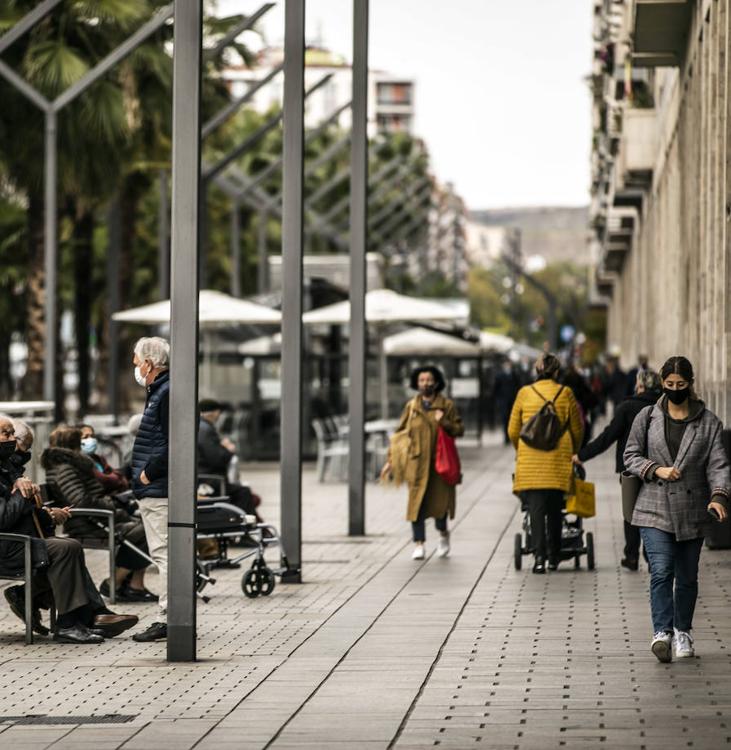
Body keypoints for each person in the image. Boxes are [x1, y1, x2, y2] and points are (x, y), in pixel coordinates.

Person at [624, 355, 730, 662]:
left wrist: (719, 497)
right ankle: (662, 632)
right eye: (669, 385)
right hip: (652, 507)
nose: (674, 390)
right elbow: (630, 455)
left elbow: (719, 465)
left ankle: (683, 630)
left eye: (680, 385)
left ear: (690, 384)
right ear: (661, 385)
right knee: (661, 570)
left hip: (692, 510)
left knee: (686, 577)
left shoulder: (708, 422)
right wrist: (656, 469)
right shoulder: (647, 417)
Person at [0, 416, 138, 643]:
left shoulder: (9, 468)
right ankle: (74, 622)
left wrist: (47, 514)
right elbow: (4, 517)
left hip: (20, 540)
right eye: (6, 434)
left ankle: (85, 618)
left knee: (68, 548)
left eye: (12, 435)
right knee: (66, 549)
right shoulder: (11, 471)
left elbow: (25, 513)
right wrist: (21, 493)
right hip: (10, 546)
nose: (11, 440)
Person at [41, 425, 155, 602]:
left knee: (147, 528)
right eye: (80, 441)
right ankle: (114, 582)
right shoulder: (65, 468)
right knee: (149, 531)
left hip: (97, 518)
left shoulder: (71, 465)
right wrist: (111, 503)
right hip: (90, 522)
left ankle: (132, 586)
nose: (86, 443)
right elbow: (80, 500)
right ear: (72, 445)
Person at [572, 369, 663, 570]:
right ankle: (651, 556)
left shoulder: (627, 407)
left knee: (631, 512)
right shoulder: (663, 407)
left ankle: (631, 556)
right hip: (658, 469)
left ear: (640, 386)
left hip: (630, 469)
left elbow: (607, 437)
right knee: (655, 514)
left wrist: (581, 455)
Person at [508, 352, 584, 573]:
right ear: (557, 372)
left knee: (535, 510)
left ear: (537, 371)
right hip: (558, 460)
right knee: (554, 509)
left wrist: (520, 449)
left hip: (530, 460)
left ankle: (539, 558)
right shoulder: (566, 393)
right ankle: (553, 556)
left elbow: (513, 430)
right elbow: (577, 428)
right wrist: (575, 450)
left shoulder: (524, 393)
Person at [380, 366, 464, 560]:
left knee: (440, 507)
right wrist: (391, 460)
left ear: (436, 382)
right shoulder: (411, 407)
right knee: (416, 505)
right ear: (416, 384)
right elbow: (399, 435)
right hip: (416, 465)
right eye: (421, 380)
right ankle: (419, 544)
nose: (425, 383)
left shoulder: (446, 405)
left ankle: (443, 534)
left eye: (429, 380)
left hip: (438, 466)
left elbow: (459, 430)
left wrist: (444, 422)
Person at [129, 336, 170, 642]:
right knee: (165, 553)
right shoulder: (160, 391)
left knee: (165, 555)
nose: (134, 364)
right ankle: (171, 615)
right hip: (156, 487)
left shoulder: (166, 393)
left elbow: (173, 442)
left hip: (159, 488)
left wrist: (147, 475)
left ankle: (169, 617)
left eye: (136, 359)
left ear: (149, 363)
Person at [198, 399, 262, 519]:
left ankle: (247, 524)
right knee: (243, 492)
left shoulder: (201, 427)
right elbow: (217, 459)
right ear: (215, 413)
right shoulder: (206, 429)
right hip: (209, 481)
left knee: (243, 491)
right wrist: (228, 449)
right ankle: (242, 525)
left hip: (204, 479)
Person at [78, 424, 129, 494]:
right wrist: (116, 480)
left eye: (92, 436)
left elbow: (119, 476)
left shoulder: (99, 459)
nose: (91, 439)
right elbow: (105, 481)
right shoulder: (80, 462)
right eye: (85, 437)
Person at [493, 361, 521, 444]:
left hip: (513, 401)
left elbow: (518, 386)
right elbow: (496, 389)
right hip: (504, 402)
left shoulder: (515, 375)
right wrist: (498, 400)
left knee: (512, 419)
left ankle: (511, 436)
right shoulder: (499, 376)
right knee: (505, 419)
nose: (507, 366)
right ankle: (506, 437)